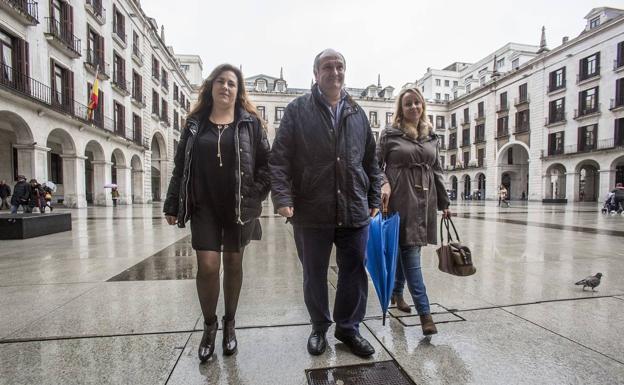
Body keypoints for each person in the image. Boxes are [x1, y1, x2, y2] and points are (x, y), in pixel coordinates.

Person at [270, 49, 382, 357]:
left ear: (345, 71)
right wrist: (282, 196)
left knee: (354, 271)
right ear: (316, 73)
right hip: (311, 209)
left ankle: (348, 328)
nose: (334, 72)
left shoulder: (358, 113)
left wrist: (373, 196)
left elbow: (371, 161)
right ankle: (319, 327)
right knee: (314, 273)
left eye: (339, 66)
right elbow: (278, 159)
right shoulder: (297, 110)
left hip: (354, 207)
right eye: (327, 67)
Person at [164, 63, 270, 362]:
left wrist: (255, 194)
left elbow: (267, 164)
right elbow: (180, 167)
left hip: (238, 205)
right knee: (208, 266)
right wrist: (173, 203)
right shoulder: (195, 124)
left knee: (234, 263)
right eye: (221, 82)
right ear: (211, 87)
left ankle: (230, 323)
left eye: (232, 83)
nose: (226, 87)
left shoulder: (250, 124)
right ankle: (209, 326)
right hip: (204, 205)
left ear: (238, 91)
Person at [377, 87, 451, 335]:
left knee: (405, 249)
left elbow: (437, 170)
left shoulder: (431, 135)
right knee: (410, 255)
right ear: (401, 108)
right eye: (408, 104)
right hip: (399, 200)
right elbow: (374, 167)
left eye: (417, 103)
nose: (414, 108)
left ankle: (397, 294)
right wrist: (383, 182)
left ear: (423, 106)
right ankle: (425, 314)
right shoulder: (389, 134)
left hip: (424, 200)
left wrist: (445, 203)